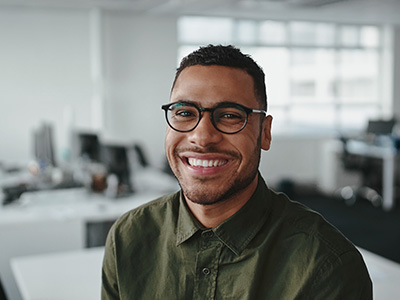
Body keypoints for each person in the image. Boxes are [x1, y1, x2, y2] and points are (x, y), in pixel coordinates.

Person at [101, 44, 372, 299]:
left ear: (265, 133)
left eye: (230, 115)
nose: (202, 137)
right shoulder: (129, 237)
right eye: (184, 112)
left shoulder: (326, 264)